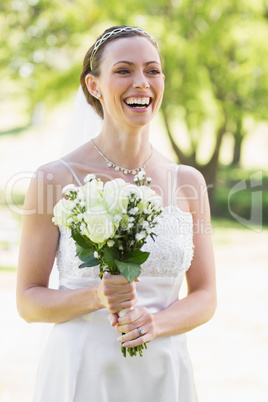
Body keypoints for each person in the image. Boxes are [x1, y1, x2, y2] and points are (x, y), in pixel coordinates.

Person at [17, 25, 217, 402]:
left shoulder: (187, 181)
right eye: (124, 70)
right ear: (94, 86)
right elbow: (28, 301)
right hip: (82, 370)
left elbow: (205, 294)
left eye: (152, 70)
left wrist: (155, 324)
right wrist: (96, 297)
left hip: (163, 371)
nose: (141, 82)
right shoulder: (54, 179)